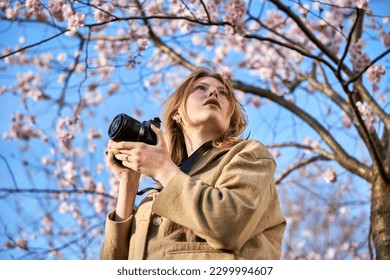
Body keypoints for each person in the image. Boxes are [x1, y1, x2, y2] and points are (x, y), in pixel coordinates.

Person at [100, 67, 286, 260]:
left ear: (230, 118)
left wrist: (162, 169)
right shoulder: (154, 198)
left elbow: (229, 225)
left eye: (223, 93)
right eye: (200, 88)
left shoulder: (249, 154)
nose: (214, 93)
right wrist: (128, 184)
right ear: (176, 113)